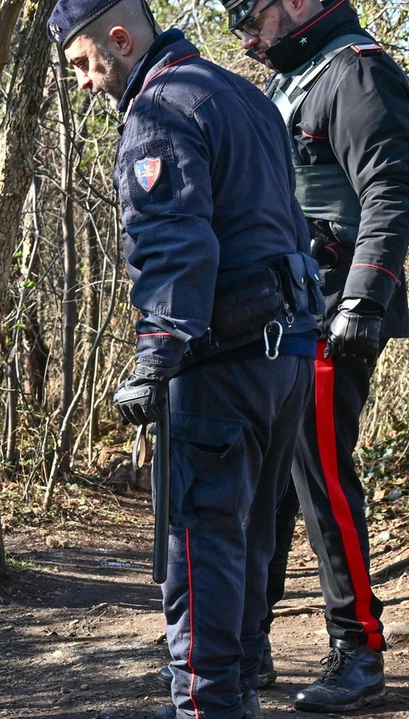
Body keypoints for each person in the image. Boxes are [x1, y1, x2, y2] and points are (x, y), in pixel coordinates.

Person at [46, 0, 323, 716]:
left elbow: (175, 240)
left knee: (199, 548)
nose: (81, 81)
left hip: (223, 360)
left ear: (118, 37)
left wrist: (156, 354)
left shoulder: (161, 112)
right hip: (287, 354)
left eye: (82, 63)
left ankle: (206, 704)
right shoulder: (240, 93)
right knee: (252, 535)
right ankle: (238, 683)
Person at [218, 0, 409, 711]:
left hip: (336, 314)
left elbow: (390, 189)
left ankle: (357, 652)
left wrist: (364, 298)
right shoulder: (291, 81)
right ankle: (249, 639)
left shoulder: (357, 74)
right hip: (283, 314)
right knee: (271, 483)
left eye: (250, 16)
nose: (243, 35)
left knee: (322, 478)